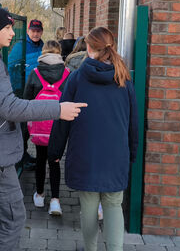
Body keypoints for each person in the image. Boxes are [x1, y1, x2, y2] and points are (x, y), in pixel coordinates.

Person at [0, 7, 87, 251]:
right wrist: (57, 109)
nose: (12, 33)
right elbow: (9, 108)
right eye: (7, 28)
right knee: (13, 219)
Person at [48, 27, 139, 251]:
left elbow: (63, 116)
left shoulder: (77, 78)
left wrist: (55, 151)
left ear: (88, 48)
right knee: (114, 205)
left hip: (85, 153)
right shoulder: (123, 79)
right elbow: (133, 121)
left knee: (88, 208)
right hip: (116, 155)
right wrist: (132, 151)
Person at [23, 40, 70, 216]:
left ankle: (40, 195)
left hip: (39, 127)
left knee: (41, 160)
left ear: (43, 53)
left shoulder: (35, 73)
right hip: (58, 126)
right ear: (59, 52)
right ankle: (55, 201)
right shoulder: (67, 73)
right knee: (55, 161)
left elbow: (26, 101)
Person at [8, 19, 44, 169]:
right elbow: (11, 67)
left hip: (36, 91)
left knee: (30, 126)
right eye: (33, 31)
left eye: (38, 31)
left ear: (41, 32)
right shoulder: (20, 46)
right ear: (28, 31)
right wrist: (17, 87)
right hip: (22, 91)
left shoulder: (42, 46)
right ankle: (20, 158)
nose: (35, 34)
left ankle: (24, 154)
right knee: (22, 127)